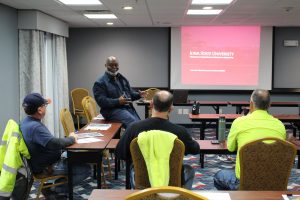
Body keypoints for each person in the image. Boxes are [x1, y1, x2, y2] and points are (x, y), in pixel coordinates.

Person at [116, 90, 200, 189]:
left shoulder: (133, 128)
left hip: (142, 183)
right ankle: (180, 196)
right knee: (189, 170)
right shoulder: (180, 132)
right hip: (172, 182)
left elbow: (120, 153)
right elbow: (195, 149)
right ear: (171, 108)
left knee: (132, 168)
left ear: (151, 104)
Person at [20, 93, 91, 197]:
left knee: (80, 158)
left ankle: (56, 184)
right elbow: (54, 143)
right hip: (48, 166)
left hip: (45, 162)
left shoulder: (26, 122)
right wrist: (72, 139)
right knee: (86, 169)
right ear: (40, 110)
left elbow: (51, 142)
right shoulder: (35, 127)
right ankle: (54, 189)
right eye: (45, 106)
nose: (46, 108)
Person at [213, 89, 286, 190]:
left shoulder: (239, 122)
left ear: (251, 104)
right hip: (273, 182)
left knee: (219, 176)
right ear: (270, 105)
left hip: (244, 183)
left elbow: (230, 147)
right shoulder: (280, 125)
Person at [93, 56, 146, 128]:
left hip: (127, 109)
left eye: (116, 65)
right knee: (133, 125)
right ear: (106, 65)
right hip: (112, 111)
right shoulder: (100, 83)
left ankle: (132, 138)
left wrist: (139, 95)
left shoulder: (122, 79)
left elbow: (129, 95)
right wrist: (118, 101)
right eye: (111, 65)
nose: (114, 67)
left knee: (140, 125)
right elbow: (102, 102)